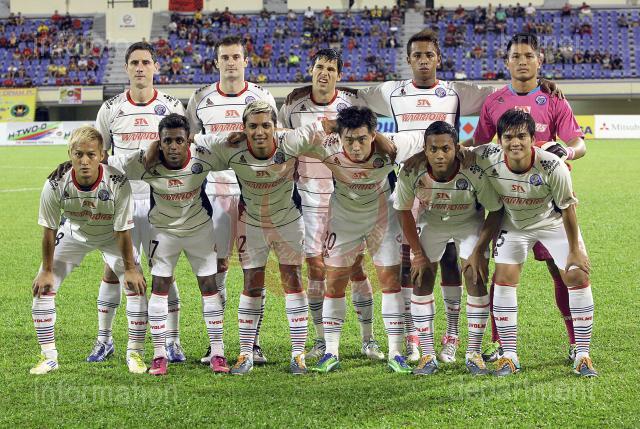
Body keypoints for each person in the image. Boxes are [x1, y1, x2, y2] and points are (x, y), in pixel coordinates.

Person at [468, 33, 586, 363]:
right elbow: (477, 147)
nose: (522, 61)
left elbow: (579, 143)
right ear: (506, 62)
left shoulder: (554, 99)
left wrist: (567, 152)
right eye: (516, 56)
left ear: (539, 60)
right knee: (502, 273)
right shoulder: (494, 101)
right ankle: (499, 343)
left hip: (550, 203)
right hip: (509, 201)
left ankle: (575, 341)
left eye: (528, 56)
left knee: (562, 270)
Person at [193, 101, 329, 375]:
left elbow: (329, 126)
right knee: (251, 284)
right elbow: (193, 139)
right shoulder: (230, 146)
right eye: (253, 126)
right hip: (252, 223)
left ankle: (298, 355)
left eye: (266, 125)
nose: (259, 132)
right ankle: (246, 354)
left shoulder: (291, 141)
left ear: (275, 127)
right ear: (243, 128)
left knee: (293, 281)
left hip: (288, 222)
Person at [294, 107, 425, 374]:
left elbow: (432, 139)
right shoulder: (327, 145)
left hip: (382, 217)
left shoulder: (395, 145)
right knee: (334, 282)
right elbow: (284, 138)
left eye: (362, 139)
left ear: (374, 135)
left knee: (390, 282)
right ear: (340, 136)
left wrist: (417, 157)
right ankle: (331, 352)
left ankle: (395, 352)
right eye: (349, 140)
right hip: (343, 219)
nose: (355, 147)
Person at [472, 109, 596, 377]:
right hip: (514, 224)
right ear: (499, 140)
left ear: (532, 139)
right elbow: (455, 152)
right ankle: (509, 356)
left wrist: (575, 250)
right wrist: (419, 157)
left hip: (552, 223)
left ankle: (583, 355)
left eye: (521, 136)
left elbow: (568, 209)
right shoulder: (487, 156)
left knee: (576, 275)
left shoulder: (552, 166)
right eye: (508, 137)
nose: (515, 143)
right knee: (503, 279)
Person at [278, 49, 383, 362]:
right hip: (308, 195)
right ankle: (321, 340)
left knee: (354, 267)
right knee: (315, 268)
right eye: (319, 67)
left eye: (331, 69)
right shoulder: (293, 106)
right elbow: (282, 141)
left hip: (345, 197)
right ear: (311, 70)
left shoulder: (351, 103)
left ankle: (368, 339)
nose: (324, 73)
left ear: (339, 75)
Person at [107, 114, 228, 376]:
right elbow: (109, 162)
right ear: (159, 142)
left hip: (199, 230)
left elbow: (230, 149)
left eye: (179, 141)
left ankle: (218, 352)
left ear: (188, 142)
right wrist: (69, 165)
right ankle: (159, 354)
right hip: (163, 232)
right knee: (159, 286)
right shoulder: (145, 162)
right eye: (167, 141)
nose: (173, 146)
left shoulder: (203, 157)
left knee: (209, 286)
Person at [92, 42, 186, 365]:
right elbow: (100, 156)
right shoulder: (110, 109)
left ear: (156, 67)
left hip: (161, 200)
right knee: (114, 270)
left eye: (146, 62)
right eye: (134, 63)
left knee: (164, 272)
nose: (140, 68)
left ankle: (172, 341)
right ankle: (104, 340)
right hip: (123, 200)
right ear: (127, 68)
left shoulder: (171, 106)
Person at [186, 36, 277, 366]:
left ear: (246, 61)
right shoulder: (200, 98)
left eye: (236, 56)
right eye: (224, 57)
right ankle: (217, 344)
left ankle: (253, 344)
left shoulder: (262, 97)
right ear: (216, 63)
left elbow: (274, 139)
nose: (231, 62)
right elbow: (190, 141)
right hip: (215, 192)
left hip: (254, 192)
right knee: (217, 267)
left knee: (255, 268)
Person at [31, 127, 147, 375]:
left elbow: (123, 231)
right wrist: (47, 270)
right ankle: (48, 357)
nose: (84, 161)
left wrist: (130, 269)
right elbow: (49, 229)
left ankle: (134, 353)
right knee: (43, 289)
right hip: (74, 234)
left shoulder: (118, 182)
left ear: (102, 155)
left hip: (111, 236)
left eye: (91, 155)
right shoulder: (55, 183)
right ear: (70, 155)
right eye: (78, 154)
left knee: (136, 286)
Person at [395, 121, 503, 376]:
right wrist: (418, 254)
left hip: (469, 223)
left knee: (475, 276)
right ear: (425, 150)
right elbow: (403, 211)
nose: (440, 155)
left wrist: (478, 251)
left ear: (457, 148)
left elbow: (496, 211)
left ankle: (473, 354)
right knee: (421, 276)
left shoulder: (473, 170)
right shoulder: (411, 170)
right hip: (432, 222)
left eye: (446, 148)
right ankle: (428, 355)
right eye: (433, 149)